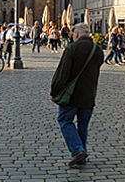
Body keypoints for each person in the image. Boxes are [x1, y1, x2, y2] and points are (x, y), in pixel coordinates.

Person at [51, 23, 103, 169]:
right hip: (89, 94)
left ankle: (77, 150)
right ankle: (82, 153)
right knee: (83, 125)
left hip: (72, 95)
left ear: (77, 35)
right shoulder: (98, 50)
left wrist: (54, 92)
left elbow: (62, 73)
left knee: (65, 120)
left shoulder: (72, 49)